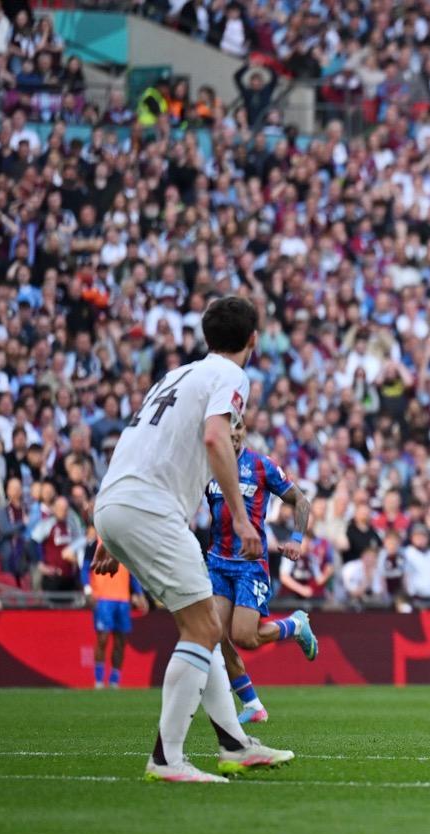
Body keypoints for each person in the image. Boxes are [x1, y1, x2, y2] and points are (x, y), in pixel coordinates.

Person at [91, 295, 294, 783]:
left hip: (121, 499)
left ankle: (234, 745)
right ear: (253, 340)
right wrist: (244, 520)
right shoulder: (230, 376)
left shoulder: (175, 375)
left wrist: (108, 530)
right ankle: (167, 759)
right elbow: (214, 438)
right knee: (203, 631)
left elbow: (134, 439)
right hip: (150, 509)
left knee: (206, 625)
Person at [206, 416, 317, 725]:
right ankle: (252, 704)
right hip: (217, 561)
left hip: (250, 566)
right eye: (228, 430)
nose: (234, 435)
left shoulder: (261, 465)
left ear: (245, 431)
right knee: (213, 633)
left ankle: (294, 625)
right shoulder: (206, 465)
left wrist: (296, 538)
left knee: (245, 637)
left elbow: (301, 502)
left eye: (239, 429)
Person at [82, 536, 148, 689]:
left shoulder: (125, 540)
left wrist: (138, 593)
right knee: (102, 639)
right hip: (103, 598)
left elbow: (131, 571)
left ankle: (114, 682)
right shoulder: (94, 542)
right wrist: (87, 590)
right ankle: (98, 681)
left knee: (121, 642)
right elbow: (85, 567)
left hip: (122, 599)